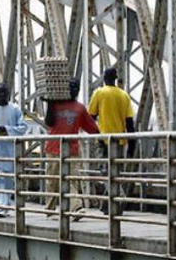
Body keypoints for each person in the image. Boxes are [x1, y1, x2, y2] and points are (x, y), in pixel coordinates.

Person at [44, 78, 99, 220]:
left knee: (71, 179)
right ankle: (49, 210)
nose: (74, 90)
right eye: (72, 87)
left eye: (76, 87)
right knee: (52, 180)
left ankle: (76, 208)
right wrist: (50, 103)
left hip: (71, 150)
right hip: (54, 148)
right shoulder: (56, 105)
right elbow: (49, 122)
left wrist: (104, 139)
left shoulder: (80, 108)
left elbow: (92, 128)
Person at [88, 68, 136, 215]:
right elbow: (129, 123)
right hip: (120, 141)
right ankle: (107, 207)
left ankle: (120, 197)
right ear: (116, 79)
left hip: (104, 140)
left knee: (106, 173)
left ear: (104, 78)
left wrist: (97, 135)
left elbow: (91, 117)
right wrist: (131, 145)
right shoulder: (124, 95)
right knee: (114, 173)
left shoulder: (99, 93)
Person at [0, 82, 28, 218]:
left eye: (4, 92)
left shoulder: (15, 109)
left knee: (9, 178)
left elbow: (23, 127)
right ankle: (2, 207)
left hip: (10, 149)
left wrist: (6, 129)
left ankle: (6, 204)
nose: (1, 95)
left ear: (9, 94)